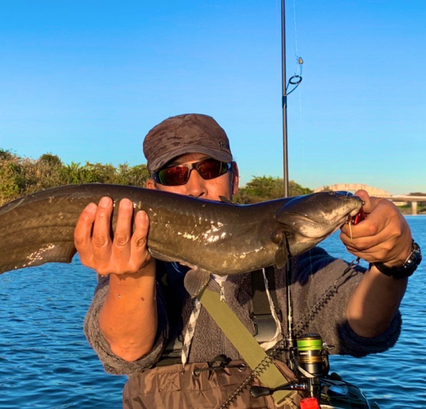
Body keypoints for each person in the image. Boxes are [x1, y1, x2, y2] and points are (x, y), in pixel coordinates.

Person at [74, 113, 418, 408]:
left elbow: (363, 324)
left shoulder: (292, 257)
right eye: (175, 175)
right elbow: (126, 350)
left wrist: (393, 264)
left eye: (209, 168)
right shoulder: (129, 260)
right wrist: (131, 276)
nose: (195, 187)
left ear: (233, 177)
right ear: (152, 189)